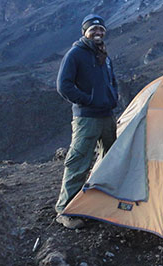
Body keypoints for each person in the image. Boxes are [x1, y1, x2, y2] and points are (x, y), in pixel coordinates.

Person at [54, 14, 118, 229]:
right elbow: (64, 85)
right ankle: (65, 210)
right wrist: (88, 100)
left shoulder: (104, 55)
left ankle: (98, 200)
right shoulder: (75, 54)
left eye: (101, 29)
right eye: (93, 30)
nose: (98, 33)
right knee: (79, 161)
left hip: (107, 116)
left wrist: (112, 97)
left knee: (110, 159)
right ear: (85, 32)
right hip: (87, 118)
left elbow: (111, 81)